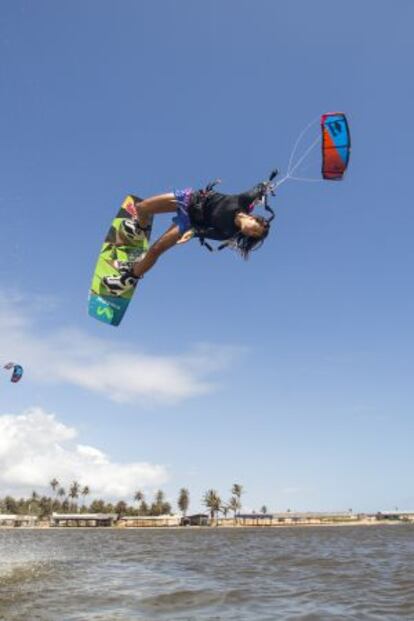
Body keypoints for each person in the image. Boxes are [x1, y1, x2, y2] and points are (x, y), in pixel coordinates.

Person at [103, 177, 276, 296]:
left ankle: (128, 279)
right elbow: (258, 189)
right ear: (256, 219)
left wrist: (189, 234)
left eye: (253, 235)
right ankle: (140, 227)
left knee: (156, 249)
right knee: (141, 207)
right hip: (189, 200)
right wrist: (266, 185)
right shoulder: (243, 201)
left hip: (190, 222)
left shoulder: (228, 232)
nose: (250, 232)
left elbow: (202, 232)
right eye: (255, 229)